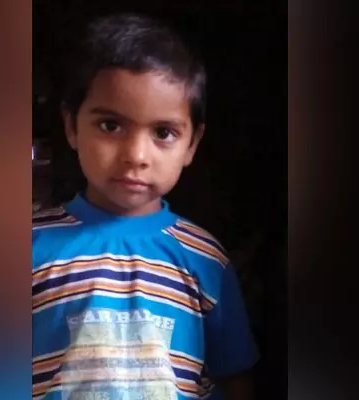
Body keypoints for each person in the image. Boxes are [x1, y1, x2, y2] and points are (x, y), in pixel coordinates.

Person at [32, 13, 258, 400]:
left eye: (163, 133)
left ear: (191, 144)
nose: (136, 155)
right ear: (72, 126)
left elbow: (233, 377)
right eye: (110, 126)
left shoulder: (205, 260)